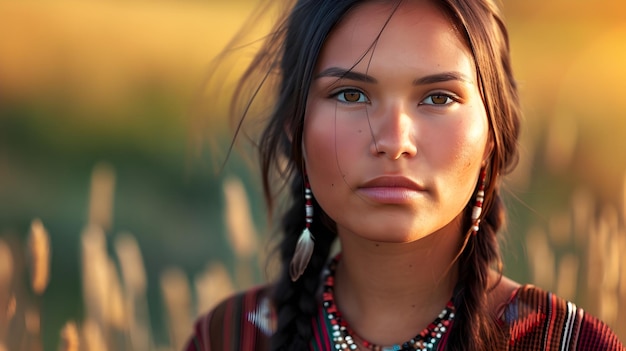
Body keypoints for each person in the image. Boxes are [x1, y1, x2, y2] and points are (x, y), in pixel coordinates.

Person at [186, 0, 625, 350]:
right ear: (294, 129)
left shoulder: (563, 343)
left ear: (493, 134)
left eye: (437, 98)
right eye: (351, 94)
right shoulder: (232, 337)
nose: (395, 141)